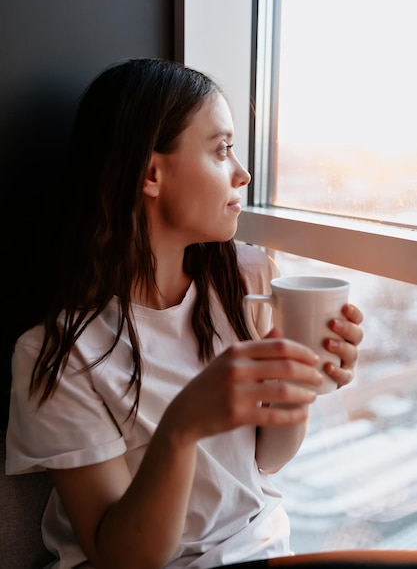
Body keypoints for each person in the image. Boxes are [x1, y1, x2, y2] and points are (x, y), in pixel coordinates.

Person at [6, 59, 363, 569]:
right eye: (221, 150)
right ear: (151, 173)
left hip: (261, 546)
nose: (243, 173)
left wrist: (302, 376)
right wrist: (182, 427)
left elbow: (267, 460)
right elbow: (124, 557)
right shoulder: (58, 354)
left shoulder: (247, 280)